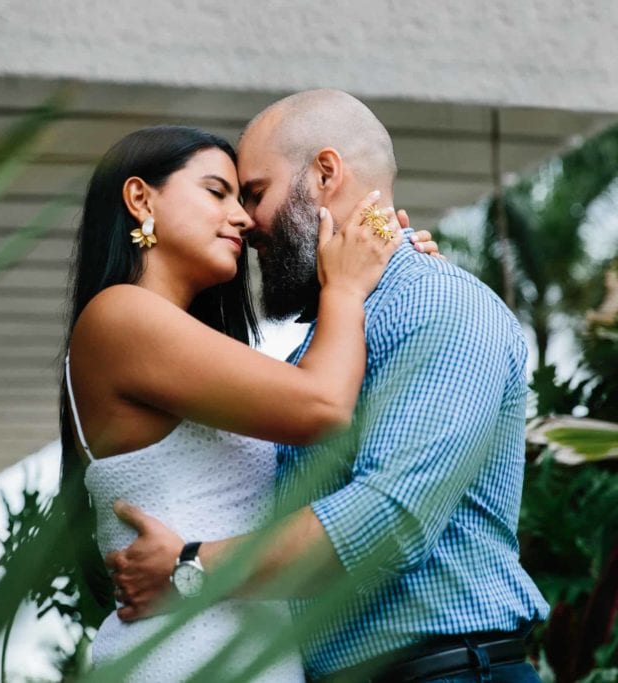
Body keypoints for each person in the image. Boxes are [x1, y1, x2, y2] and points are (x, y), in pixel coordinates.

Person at [105, 90, 550, 682]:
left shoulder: (439, 303)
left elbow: (392, 519)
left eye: (255, 194)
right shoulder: (320, 351)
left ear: (324, 174)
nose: (246, 223)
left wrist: (191, 570)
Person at [59, 123, 437, 680]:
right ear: (140, 198)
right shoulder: (119, 316)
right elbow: (322, 406)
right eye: (217, 192)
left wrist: (391, 270)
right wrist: (347, 288)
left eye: (244, 197)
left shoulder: (189, 349)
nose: (242, 217)